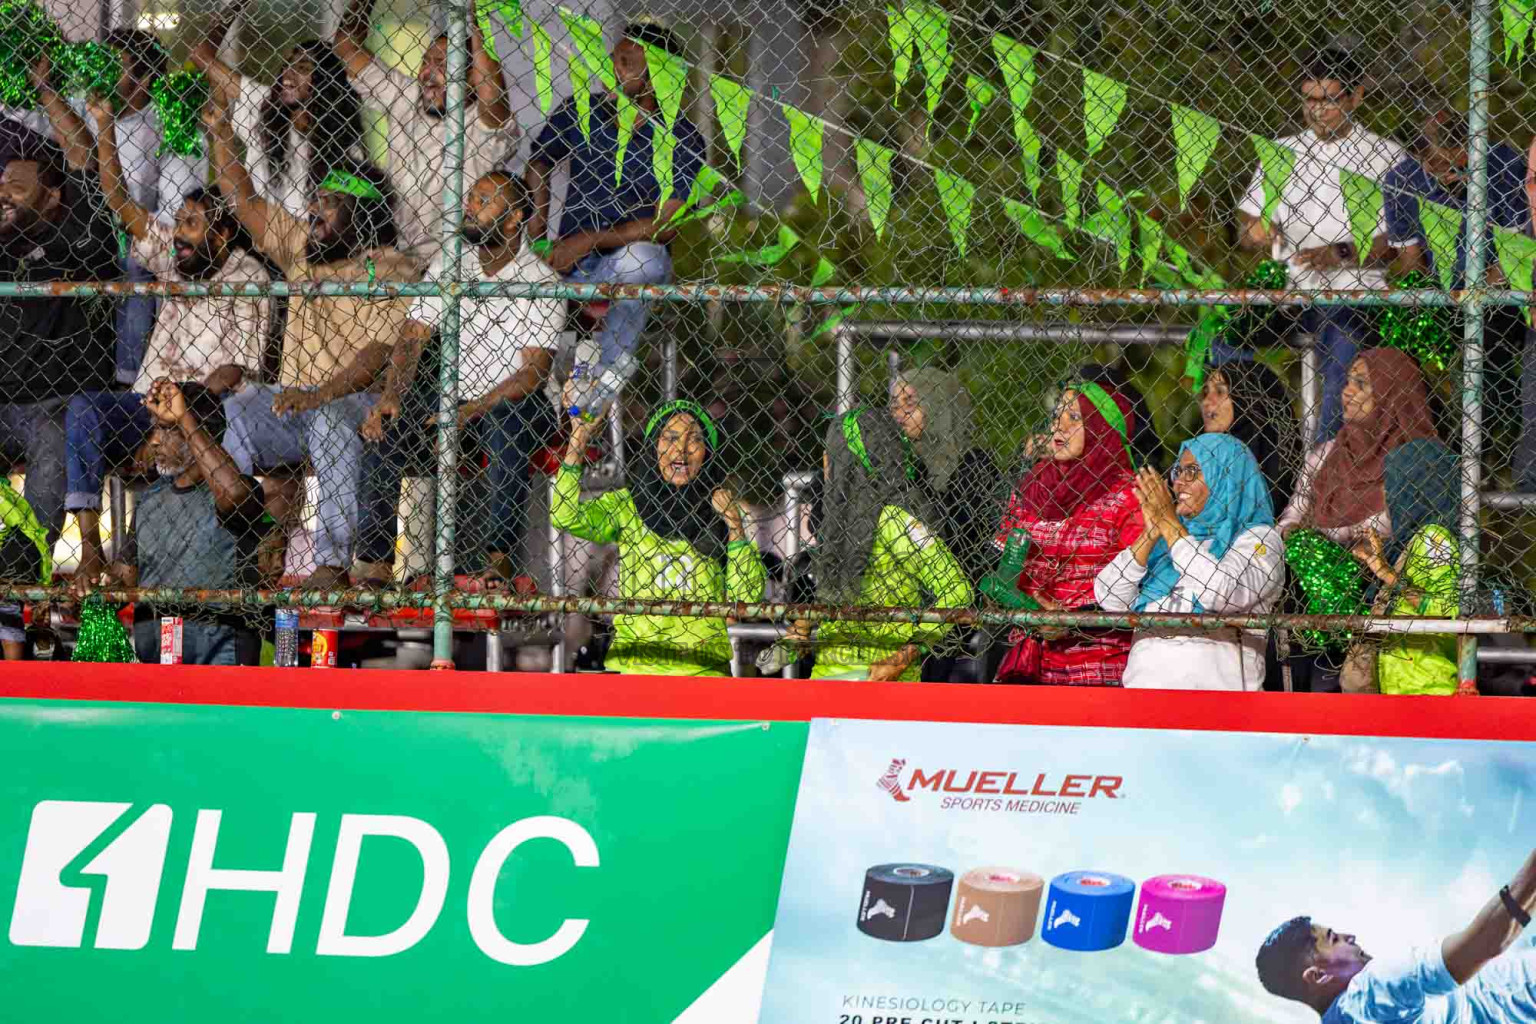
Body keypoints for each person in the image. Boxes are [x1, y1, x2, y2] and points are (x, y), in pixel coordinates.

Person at [203, 89, 416, 589]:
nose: (315, 209)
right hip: (289, 403)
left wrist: (318, 395)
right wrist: (222, 133)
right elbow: (244, 200)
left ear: (363, 216)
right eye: (314, 199)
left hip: (351, 403)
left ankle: (331, 563)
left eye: (330, 202)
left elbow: (377, 356)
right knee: (231, 410)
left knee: (331, 420)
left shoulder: (394, 270)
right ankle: (237, 549)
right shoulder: (304, 244)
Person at [66, 96, 272, 586]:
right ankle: (92, 552)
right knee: (83, 409)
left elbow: (236, 371)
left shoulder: (249, 276)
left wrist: (179, 412)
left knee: (210, 406)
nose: (179, 234)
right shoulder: (177, 260)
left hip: (206, 409)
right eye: (178, 222)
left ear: (221, 235)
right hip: (149, 404)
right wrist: (105, 125)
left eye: (191, 224)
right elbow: (119, 201)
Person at [356, 171, 565, 586]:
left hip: (516, 404)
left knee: (509, 418)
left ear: (512, 219)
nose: (469, 206)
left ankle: (498, 559)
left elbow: (532, 374)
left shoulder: (541, 282)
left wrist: (472, 410)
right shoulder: (452, 260)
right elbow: (413, 336)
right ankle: (374, 564)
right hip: (453, 400)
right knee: (388, 425)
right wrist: (392, 395)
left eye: (483, 200)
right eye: (471, 197)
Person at [525, 22, 706, 418]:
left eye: (624, 63)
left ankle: (601, 378)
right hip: (564, 264)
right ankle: (538, 383)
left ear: (658, 78)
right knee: (512, 271)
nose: (611, 70)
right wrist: (537, 230)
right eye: (612, 59)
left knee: (647, 258)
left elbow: (665, 224)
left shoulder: (682, 137)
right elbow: (538, 161)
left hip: (621, 265)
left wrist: (589, 240)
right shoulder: (581, 109)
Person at [1237, 46, 1406, 444]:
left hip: (1355, 294)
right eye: (1309, 100)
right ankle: (1266, 447)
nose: (1316, 110)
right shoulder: (1282, 151)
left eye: (1329, 100)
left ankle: (1320, 463)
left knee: (1342, 342)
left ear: (1356, 96)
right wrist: (1258, 231)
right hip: (1290, 293)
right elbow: (1246, 232)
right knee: (1225, 339)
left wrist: (1338, 253)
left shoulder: (1386, 156)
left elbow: (1396, 244)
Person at [16, 30, 206, 386]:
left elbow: (171, 215)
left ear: (143, 78)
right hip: (78, 223)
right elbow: (35, 118)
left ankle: (125, 378)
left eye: (111, 67)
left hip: (132, 234)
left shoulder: (169, 124)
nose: (97, 76)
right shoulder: (88, 99)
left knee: (134, 266)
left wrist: (137, 233)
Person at [0, 123, 119, 655]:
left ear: (51, 197)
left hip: (55, 401)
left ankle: (25, 562)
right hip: (4, 404)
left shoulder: (81, 238)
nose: (3, 197)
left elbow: (89, 183)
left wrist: (53, 94)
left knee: (53, 440)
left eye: (15, 190)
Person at [551, 400, 764, 675]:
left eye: (695, 440)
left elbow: (746, 598)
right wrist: (579, 438)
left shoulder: (722, 511)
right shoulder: (627, 505)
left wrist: (735, 529)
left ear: (707, 453)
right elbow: (564, 514)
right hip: (637, 669)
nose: (681, 450)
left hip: (702, 671)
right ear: (654, 447)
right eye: (670, 438)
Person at [72, 380, 267, 665]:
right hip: (158, 652)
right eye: (156, 428)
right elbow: (127, 575)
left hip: (221, 652)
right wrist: (98, 585)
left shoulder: (239, 489)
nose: (153, 440)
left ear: (198, 431)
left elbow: (234, 494)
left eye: (166, 429)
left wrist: (184, 419)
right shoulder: (151, 497)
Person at [1383, 109, 1529, 478]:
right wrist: (1426, 303)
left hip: (1505, 288)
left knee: (1481, 341)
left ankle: (1491, 447)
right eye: (1427, 160)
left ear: (1469, 146)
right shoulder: (1403, 178)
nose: (1439, 169)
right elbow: (1410, 260)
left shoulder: (1506, 165)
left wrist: (1478, 287)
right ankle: (1433, 453)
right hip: (1443, 292)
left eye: (1449, 158)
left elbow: (1519, 249)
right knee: (1399, 338)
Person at [1256, 845, 1536, 1023]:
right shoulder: (1373, 989)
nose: (1349, 936)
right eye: (1333, 938)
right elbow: (1485, 942)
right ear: (1318, 975)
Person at [790, 407, 971, 681]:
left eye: (834, 454)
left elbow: (958, 593)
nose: (825, 463)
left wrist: (902, 657)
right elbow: (839, 593)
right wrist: (806, 621)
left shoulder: (896, 519)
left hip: (886, 686)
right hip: (827, 682)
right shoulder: (837, 519)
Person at [335, 0, 518, 265]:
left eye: (444, 65)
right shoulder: (406, 95)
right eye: (426, 62)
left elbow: (490, 86)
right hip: (393, 254)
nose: (428, 73)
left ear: (471, 80)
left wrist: (478, 17)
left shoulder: (482, 125)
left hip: (450, 266)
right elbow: (346, 46)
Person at [1095, 433, 1284, 690]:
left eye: (1193, 471)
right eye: (1177, 471)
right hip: (1142, 698)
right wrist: (1150, 533)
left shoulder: (1260, 540)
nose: (1178, 483)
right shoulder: (1171, 538)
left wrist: (1171, 527)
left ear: (1226, 478)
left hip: (1222, 705)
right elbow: (1109, 597)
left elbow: (1220, 593)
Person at [992, 383, 1143, 685]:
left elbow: (1140, 585)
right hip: (1029, 662)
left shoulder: (1128, 494)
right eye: (1057, 414)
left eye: (1075, 417)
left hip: (1099, 664)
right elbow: (1002, 571)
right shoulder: (1032, 485)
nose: (1058, 425)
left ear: (1101, 427)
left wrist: (1072, 621)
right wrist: (1028, 610)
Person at [194, 5, 367, 217]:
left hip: (307, 243)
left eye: (302, 68)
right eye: (287, 64)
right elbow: (201, 56)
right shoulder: (267, 106)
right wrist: (236, 5)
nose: (287, 73)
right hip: (257, 233)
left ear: (326, 81)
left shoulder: (345, 144)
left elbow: (350, 210)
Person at [1279, 348, 1438, 546]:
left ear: (1391, 394)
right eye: (1348, 381)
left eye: (1361, 384)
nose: (1346, 392)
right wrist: (1295, 535)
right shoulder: (1325, 454)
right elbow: (1291, 517)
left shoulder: (1418, 464)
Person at [1353, 438, 1461, 695]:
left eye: (1392, 482)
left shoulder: (1435, 539)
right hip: (1404, 686)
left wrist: (1388, 575)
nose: (1386, 493)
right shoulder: (1409, 541)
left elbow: (1446, 610)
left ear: (1415, 488)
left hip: (1428, 688)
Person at [1200, 360, 1299, 519]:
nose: (1206, 401)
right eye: (1206, 392)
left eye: (1220, 392)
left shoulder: (1277, 464)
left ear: (1248, 399)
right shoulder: (1197, 455)